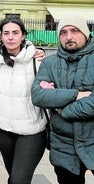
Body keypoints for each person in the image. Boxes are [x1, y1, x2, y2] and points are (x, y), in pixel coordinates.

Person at [31, 16, 94, 184]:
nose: (69, 37)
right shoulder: (49, 63)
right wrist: (76, 95)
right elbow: (38, 95)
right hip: (63, 147)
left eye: (75, 31)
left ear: (86, 34)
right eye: (64, 32)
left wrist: (61, 109)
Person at [0, 17, 47, 184]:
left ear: (23, 36)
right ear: (0, 36)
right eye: (6, 33)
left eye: (15, 33)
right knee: (13, 177)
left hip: (31, 131)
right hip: (3, 129)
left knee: (18, 180)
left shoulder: (38, 60)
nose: (10, 37)